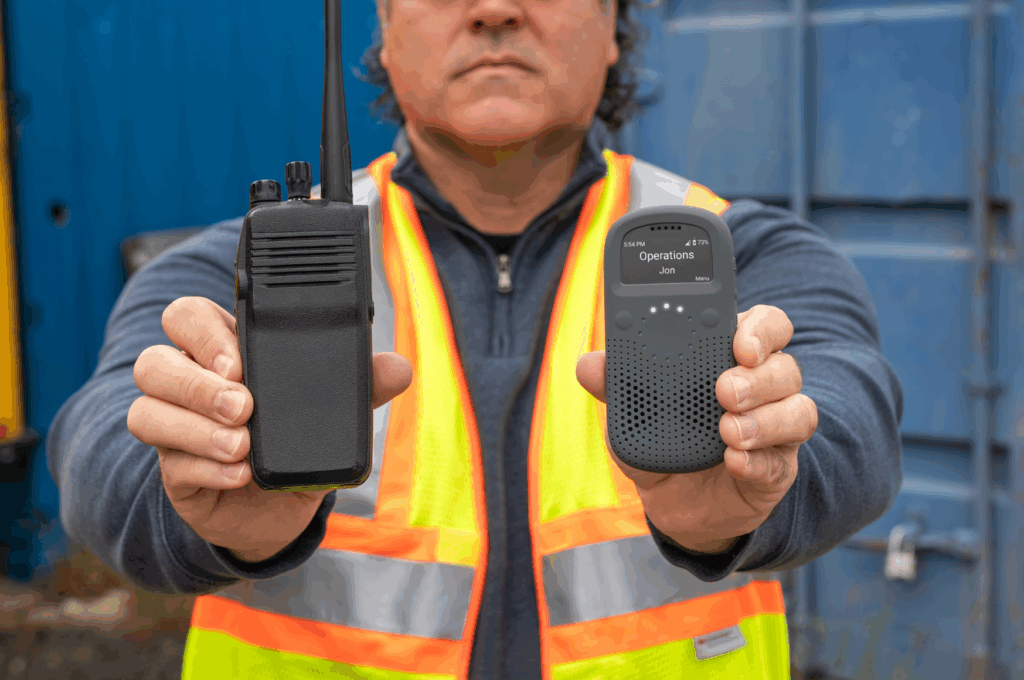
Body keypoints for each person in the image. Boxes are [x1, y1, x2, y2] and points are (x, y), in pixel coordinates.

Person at [47, 0, 904, 678]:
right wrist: (204, 506)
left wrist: (761, 485)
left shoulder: (742, 251)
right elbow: (99, 445)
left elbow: (853, 416)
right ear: (379, 28)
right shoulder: (241, 269)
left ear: (617, 27)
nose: (494, 8)